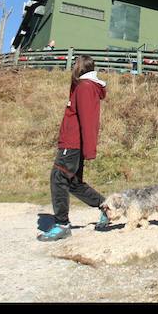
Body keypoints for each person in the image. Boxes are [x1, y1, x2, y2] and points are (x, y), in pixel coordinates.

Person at [38, 54, 109, 241]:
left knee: (58, 178)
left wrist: (89, 149)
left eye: (74, 65)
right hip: (71, 143)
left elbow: (88, 120)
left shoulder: (85, 88)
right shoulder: (81, 87)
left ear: (80, 67)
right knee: (74, 183)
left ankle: (62, 224)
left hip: (72, 144)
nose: (72, 68)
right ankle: (107, 206)